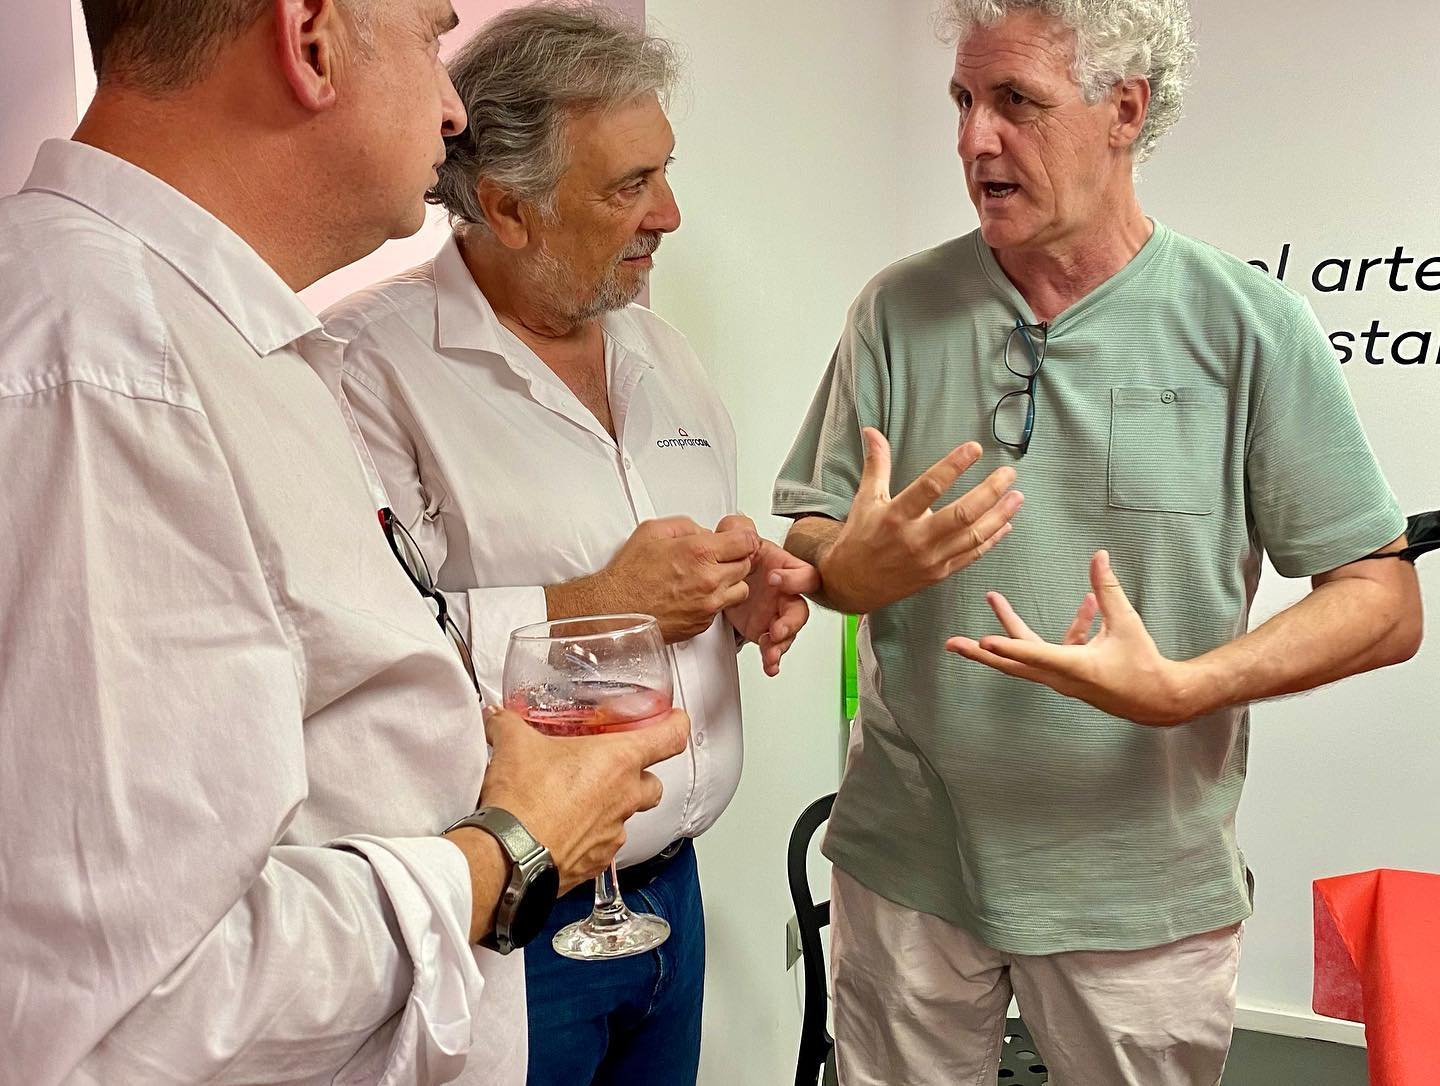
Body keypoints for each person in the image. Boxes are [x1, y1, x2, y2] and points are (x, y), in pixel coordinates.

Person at [0, 2, 687, 1082]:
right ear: (310, 39)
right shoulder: (108, 367)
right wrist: (508, 849)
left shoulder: (199, 339)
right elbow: (130, 1018)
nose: (454, 110)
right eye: (427, 38)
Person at [771, 1, 1424, 1083]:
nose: (974, 138)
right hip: (907, 861)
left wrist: (1186, 689)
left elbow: (1383, 599)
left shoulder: (1248, 324)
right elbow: (815, 532)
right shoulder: (895, 309)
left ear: (1125, 110)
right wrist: (847, 569)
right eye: (963, 100)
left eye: (1015, 101)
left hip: (1139, 885)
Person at [322, 6, 815, 1083]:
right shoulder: (364, 371)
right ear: (509, 207)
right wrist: (598, 598)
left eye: (665, 172)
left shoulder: (663, 353)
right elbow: (357, 662)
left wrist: (740, 591)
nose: (669, 214)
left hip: (671, 895)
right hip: (511, 919)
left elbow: (682, 586)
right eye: (629, 185)